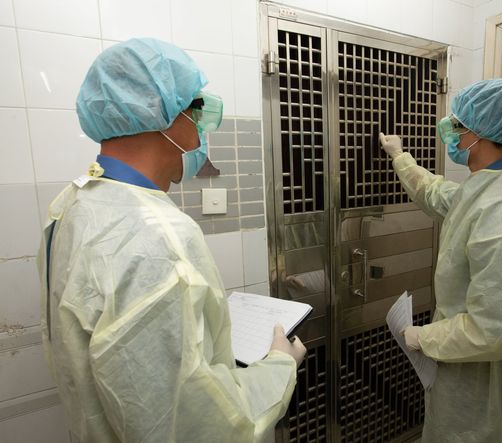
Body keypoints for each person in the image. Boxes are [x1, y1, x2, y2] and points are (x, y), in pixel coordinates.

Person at [38, 38, 306, 443]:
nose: (200, 131)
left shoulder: (73, 205)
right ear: (167, 115)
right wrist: (280, 367)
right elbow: (193, 425)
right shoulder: (156, 235)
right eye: (197, 112)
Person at [380, 79, 502, 442]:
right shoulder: (487, 185)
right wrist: (399, 156)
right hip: (463, 364)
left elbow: (495, 329)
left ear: (477, 134)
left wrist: (422, 336)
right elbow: (436, 193)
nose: (450, 130)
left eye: (457, 124)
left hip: (490, 380)